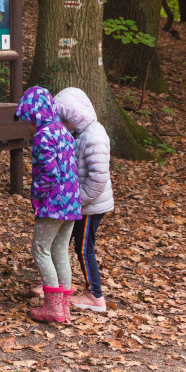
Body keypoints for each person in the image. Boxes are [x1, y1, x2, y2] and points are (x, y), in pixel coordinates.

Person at [16, 86, 81, 324]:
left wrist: (36, 194)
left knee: (41, 249)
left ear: (36, 115)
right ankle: (64, 307)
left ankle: (53, 307)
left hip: (53, 204)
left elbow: (49, 174)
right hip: (72, 203)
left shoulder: (44, 136)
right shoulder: (63, 132)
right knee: (60, 250)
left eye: (28, 120)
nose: (28, 126)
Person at [54, 87, 112, 313]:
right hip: (83, 202)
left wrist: (77, 200)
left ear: (73, 116)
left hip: (90, 204)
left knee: (83, 247)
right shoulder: (83, 132)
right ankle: (56, 284)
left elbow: (98, 178)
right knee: (66, 241)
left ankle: (95, 295)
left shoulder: (94, 136)